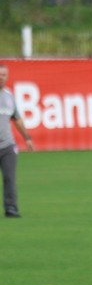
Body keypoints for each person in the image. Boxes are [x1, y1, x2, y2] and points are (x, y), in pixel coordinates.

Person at [0, 62, 34, 218]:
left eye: (4, 75)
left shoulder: (9, 97)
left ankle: (11, 208)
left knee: (9, 178)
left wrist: (27, 138)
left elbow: (17, 119)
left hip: (7, 145)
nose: (1, 78)